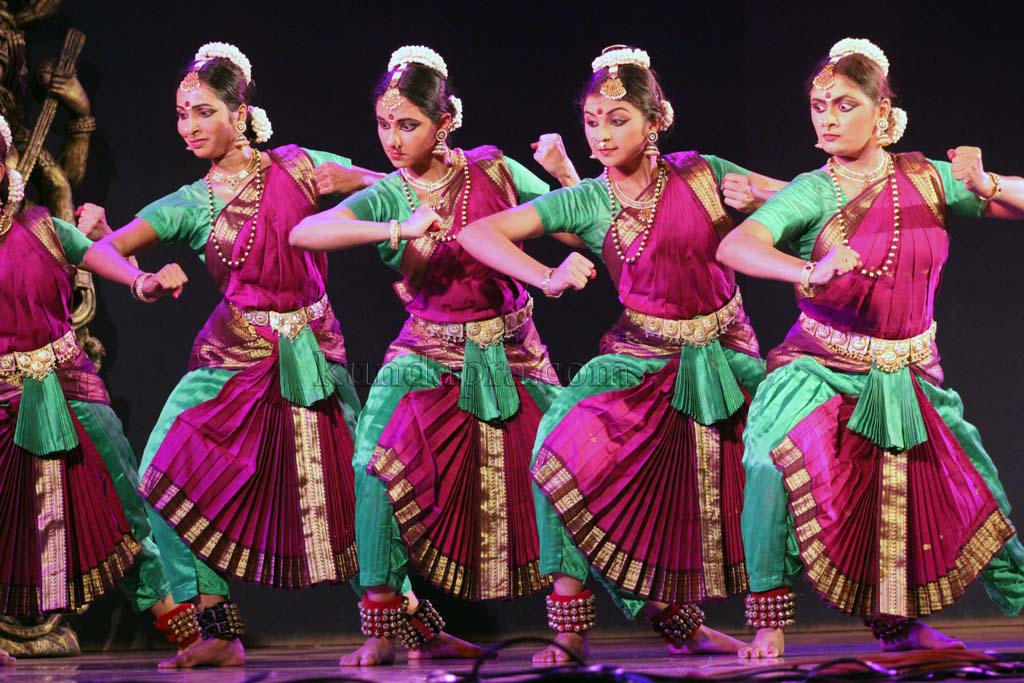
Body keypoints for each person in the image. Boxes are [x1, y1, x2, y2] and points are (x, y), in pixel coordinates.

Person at [458, 45, 785, 663]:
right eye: (591, 120)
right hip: (636, 354)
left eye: (617, 119)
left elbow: (814, 198)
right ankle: (569, 631)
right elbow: (477, 232)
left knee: (770, 466)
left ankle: (768, 625)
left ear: (655, 120)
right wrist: (544, 275)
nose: (601, 134)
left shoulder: (704, 174)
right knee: (556, 451)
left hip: (724, 352)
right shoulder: (588, 199)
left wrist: (765, 201)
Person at [715, 38, 1024, 659]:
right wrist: (808, 273)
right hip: (821, 365)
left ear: (882, 114)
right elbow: (737, 247)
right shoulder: (814, 189)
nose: (827, 118)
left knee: (976, 492)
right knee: (767, 460)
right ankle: (768, 624)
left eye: (844, 105)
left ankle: (908, 629)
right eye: (817, 105)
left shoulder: (926, 180)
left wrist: (986, 182)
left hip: (910, 373)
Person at [81, 42, 380, 668]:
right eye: (182, 112)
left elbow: (392, 189)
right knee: (161, 476)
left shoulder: (301, 167)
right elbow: (109, 249)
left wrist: (392, 208)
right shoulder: (193, 202)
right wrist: (138, 277)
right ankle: (215, 628)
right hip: (234, 356)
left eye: (204, 111)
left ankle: (399, 625)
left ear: (240, 112)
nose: (189, 126)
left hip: (312, 353)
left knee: (360, 484)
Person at [289, 45, 582, 666]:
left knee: (566, 465)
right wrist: (394, 229)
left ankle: (570, 628)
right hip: (425, 349)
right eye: (383, 124)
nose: (392, 139)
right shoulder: (390, 194)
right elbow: (305, 233)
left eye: (407, 124)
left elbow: (575, 224)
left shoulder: (496, 172)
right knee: (371, 468)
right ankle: (384, 625)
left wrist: (563, 177)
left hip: (512, 347)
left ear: (444, 121)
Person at [0, 109, 203, 667]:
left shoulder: (43, 225)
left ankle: (185, 635)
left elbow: (103, 258)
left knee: (124, 504)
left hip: (69, 384)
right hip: (3, 398)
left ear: (5, 162)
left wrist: (145, 282)